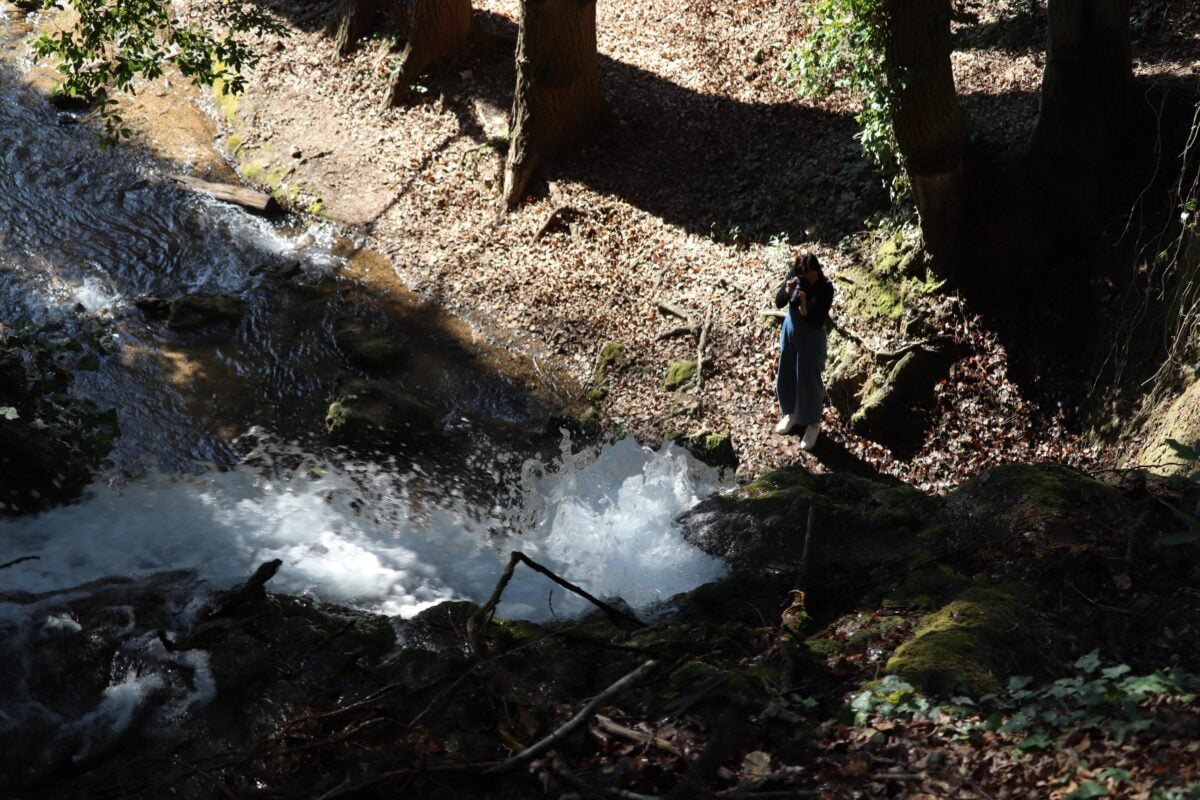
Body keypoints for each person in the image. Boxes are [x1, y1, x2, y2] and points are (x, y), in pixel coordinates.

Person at [773, 252, 834, 448]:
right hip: (791, 331)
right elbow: (779, 301)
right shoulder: (794, 277)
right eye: (805, 276)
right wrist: (787, 291)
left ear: (817, 271)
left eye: (812, 275)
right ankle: (791, 413)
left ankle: (812, 423)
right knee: (787, 372)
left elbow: (817, 320)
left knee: (809, 379)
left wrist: (806, 308)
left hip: (811, 337)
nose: (809, 280)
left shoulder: (825, 288)